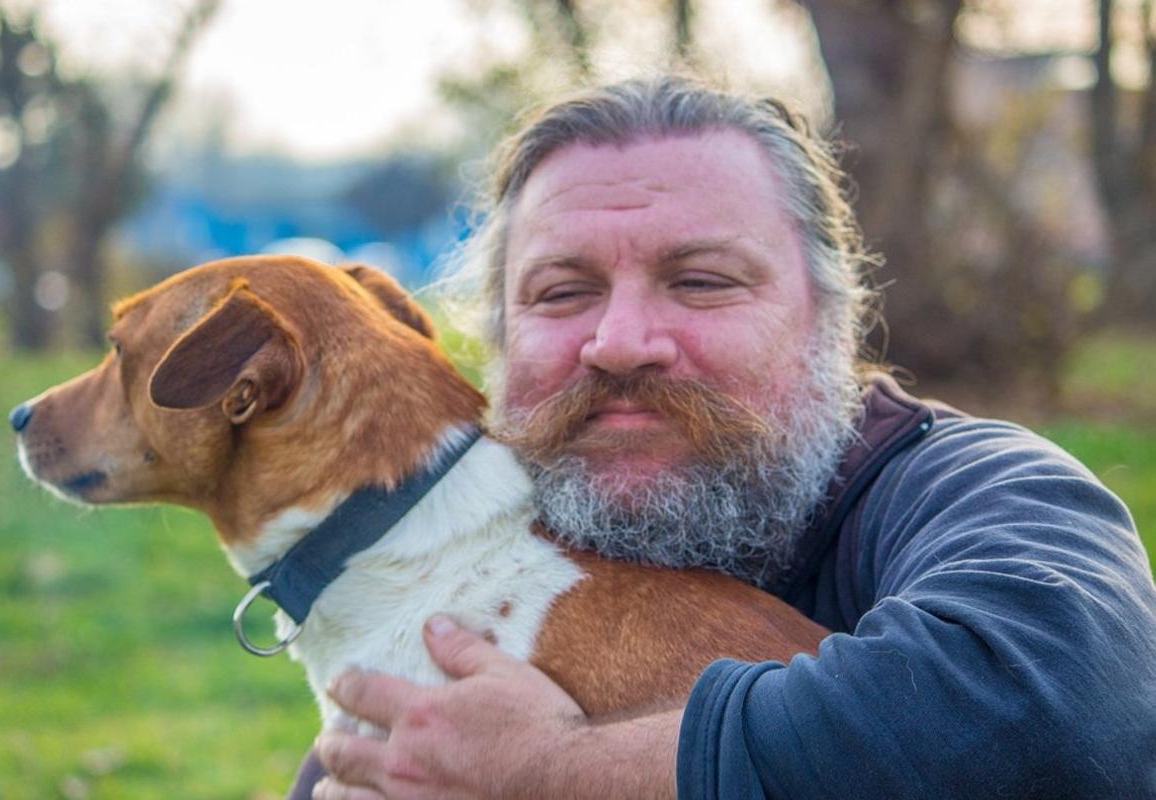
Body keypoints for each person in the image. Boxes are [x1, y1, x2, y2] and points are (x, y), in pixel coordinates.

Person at [297, 75, 1156, 799]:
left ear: (830, 319)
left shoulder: (980, 492)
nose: (622, 341)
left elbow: (1056, 711)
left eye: (701, 281)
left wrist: (555, 767)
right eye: (561, 292)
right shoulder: (459, 592)